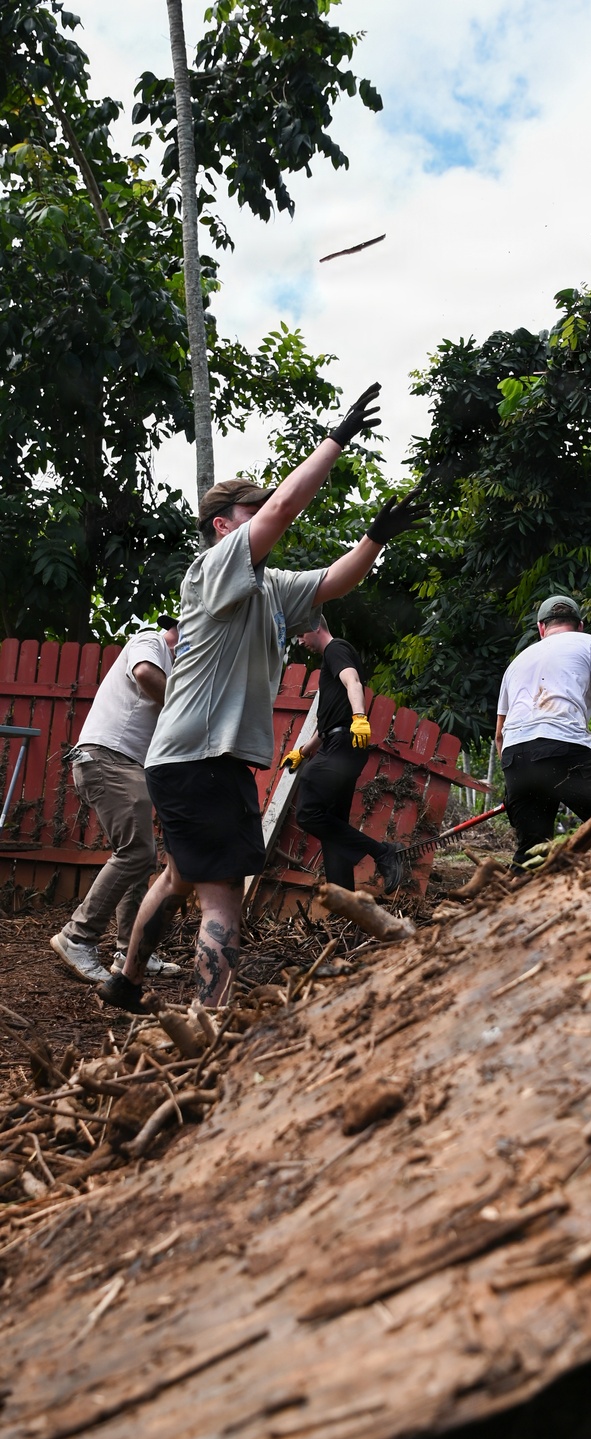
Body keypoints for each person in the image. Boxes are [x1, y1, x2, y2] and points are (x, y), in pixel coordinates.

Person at [98, 383, 425, 1014]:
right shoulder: (215, 567)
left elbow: (333, 582)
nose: (263, 520)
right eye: (248, 513)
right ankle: (208, 1020)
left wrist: (375, 538)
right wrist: (335, 440)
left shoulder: (272, 587)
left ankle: (125, 980)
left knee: (179, 875)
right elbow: (280, 509)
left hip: (198, 759)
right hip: (200, 756)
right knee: (222, 893)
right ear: (223, 528)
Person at [50, 616, 182, 984]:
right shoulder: (151, 641)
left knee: (142, 857)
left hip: (126, 763)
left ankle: (131, 950)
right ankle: (77, 937)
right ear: (181, 628)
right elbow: (143, 674)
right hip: (108, 757)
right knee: (136, 853)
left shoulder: (172, 662)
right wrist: (184, 706)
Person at [495, 594, 591, 872]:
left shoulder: (516, 663)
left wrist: (514, 779)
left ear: (541, 628)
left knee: (531, 856)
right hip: (563, 750)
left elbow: (500, 736)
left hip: (515, 758)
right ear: (580, 626)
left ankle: (514, 909)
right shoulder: (590, 644)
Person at [290, 620, 406, 894]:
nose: (299, 641)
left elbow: (352, 680)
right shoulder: (327, 665)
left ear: (315, 626)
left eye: (300, 634)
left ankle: (383, 852)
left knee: (307, 813)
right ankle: (345, 904)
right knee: (334, 826)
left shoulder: (336, 648)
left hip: (344, 743)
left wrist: (359, 717)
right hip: (337, 740)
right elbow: (327, 725)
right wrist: (303, 752)